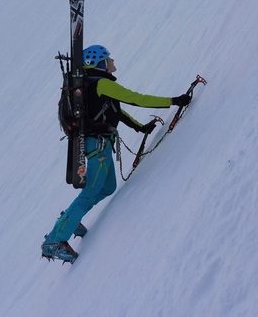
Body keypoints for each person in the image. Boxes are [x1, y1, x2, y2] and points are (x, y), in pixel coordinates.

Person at [41, 45, 191, 262]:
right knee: (89, 195)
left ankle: (70, 219)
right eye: (108, 59)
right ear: (99, 63)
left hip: (99, 146)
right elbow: (136, 98)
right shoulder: (101, 84)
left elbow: (114, 111)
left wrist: (140, 127)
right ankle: (54, 241)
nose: (112, 63)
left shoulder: (95, 86)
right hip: (98, 149)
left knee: (107, 187)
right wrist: (173, 101)